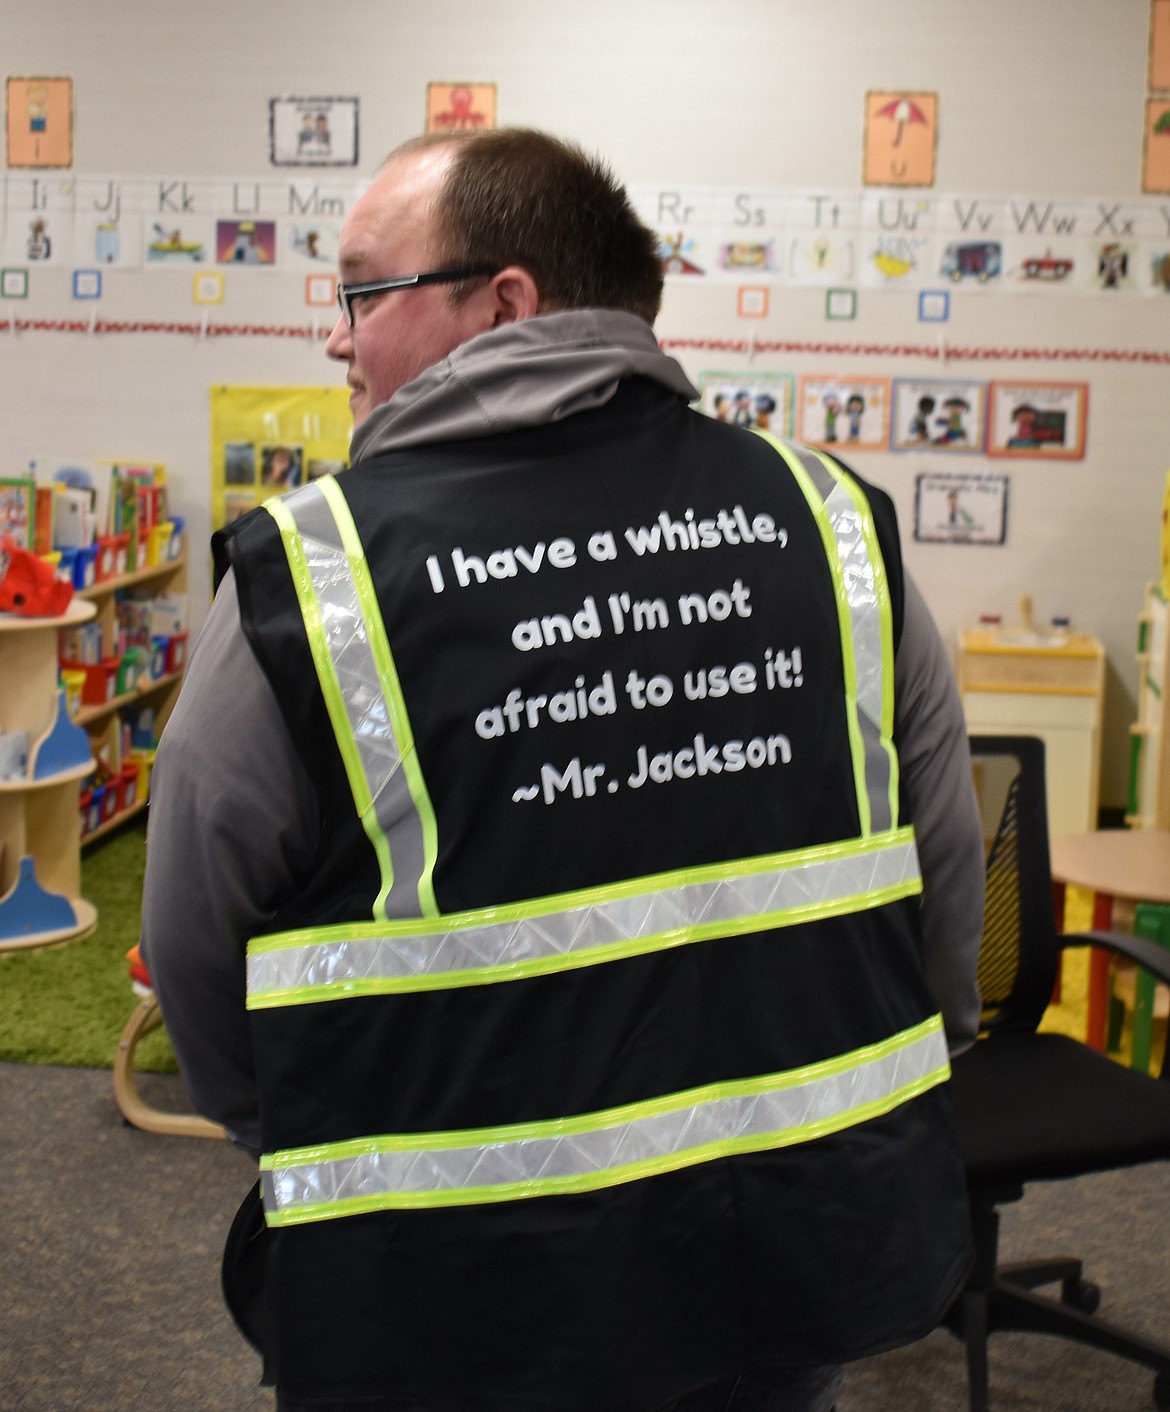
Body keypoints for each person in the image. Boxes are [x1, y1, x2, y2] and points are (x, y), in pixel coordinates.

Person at [140, 128, 984, 1412]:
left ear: (505, 302)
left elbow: (196, 948)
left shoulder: (319, 574)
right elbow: (941, 900)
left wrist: (301, 1134)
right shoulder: (827, 520)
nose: (338, 336)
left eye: (363, 291)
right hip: (783, 1249)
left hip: (448, 1284)